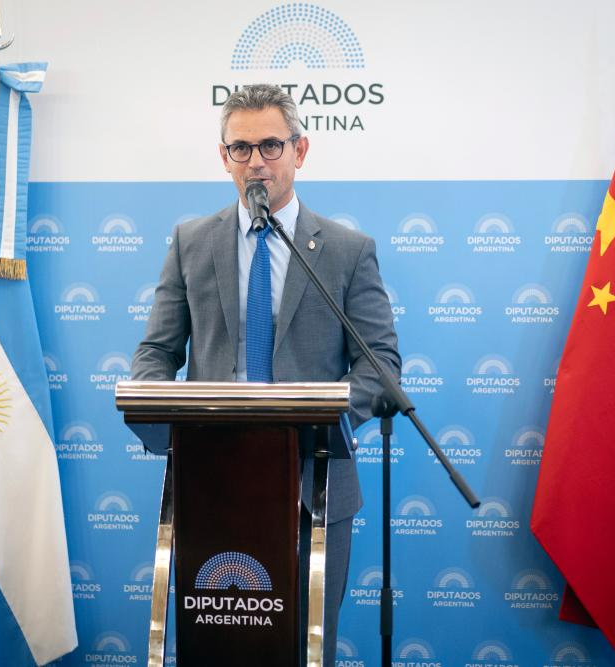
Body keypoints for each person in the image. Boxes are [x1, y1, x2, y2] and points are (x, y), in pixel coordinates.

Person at [131, 83, 400, 666]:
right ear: (223, 157)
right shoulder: (190, 243)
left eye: (271, 145)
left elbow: (379, 367)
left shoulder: (347, 251)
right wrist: (160, 405)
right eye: (241, 148)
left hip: (314, 488)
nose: (256, 161)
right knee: (218, 650)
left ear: (300, 151)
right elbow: (156, 352)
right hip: (212, 485)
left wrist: (316, 419)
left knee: (305, 651)